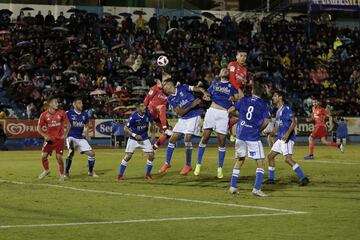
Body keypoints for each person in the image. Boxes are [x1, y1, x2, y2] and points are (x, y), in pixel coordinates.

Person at [159, 79, 210, 175]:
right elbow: (179, 112)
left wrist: (205, 92)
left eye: (164, 86)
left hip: (194, 116)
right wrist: (192, 105)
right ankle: (167, 163)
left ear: (170, 85)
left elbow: (197, 88)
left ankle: (188, 165)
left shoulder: (183, 87)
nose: (163, 88)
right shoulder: (170, 98)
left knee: (187, 138)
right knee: (172, 139)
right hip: (183, 118)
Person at [228, 81, 270, 197]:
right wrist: (259, 129)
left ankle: (233, 186)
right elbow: (266, 121)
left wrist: (241, 116)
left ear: (252, 90)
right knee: (260, 162)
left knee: (240, 160)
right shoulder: (264, 104)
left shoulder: (244, 100)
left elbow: (231, 110)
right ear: (262, 93)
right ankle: (256, 188)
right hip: (253, 136)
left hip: (240, 134)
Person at [194, 68, 239, 179]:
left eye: (226, 70)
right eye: (222, 70)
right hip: (212, 112)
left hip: (223, 114)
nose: (224, 71)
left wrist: (232, 101)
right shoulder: (214, 84)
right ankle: (198, 165)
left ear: (228, 74)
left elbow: (237, 100)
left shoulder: (232, 87)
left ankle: (220, 169)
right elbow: (207, 95)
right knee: (204, 138)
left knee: (222, 141)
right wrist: (205, 96)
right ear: (219, 74)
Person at [265, 91, 309, 186]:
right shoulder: (278, 111)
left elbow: (294, 122)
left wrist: (287, 134)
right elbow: (277, 124)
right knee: (270, 156)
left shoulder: (286, 109)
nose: (273, 97)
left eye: (275, 96)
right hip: (281, 139)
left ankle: (303, 178)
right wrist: (271, 133)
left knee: (287, 159)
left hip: (287, 138)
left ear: (280, 97)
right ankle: (271, 179)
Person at [117, 103, 155, 181]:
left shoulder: (148, 114)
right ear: (138, 109)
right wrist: (134, 135)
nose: (145, 107)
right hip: (133, 139)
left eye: (144, 106)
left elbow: (153, 124)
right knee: (128, 156)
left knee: (151, 155)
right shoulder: (133, 117)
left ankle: (147, 175)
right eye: (142, 106)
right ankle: (120, 175)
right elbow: (125, 128)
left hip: (144, 138)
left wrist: (153, 135)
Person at [37, 96, 70, 181]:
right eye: (55, 102)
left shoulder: (62, 113)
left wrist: (65, 134)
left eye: (57, 102)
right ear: (50, 104)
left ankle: (62, 175)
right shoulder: (44, 115)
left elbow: (69, 125)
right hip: (49, 139)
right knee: (43, 156)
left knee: (59, 157)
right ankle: (46, 170)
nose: (57, 104)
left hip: (59, 139)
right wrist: (44, 135)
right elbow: (38, 128)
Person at [65, 97, 97, 178]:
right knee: (71, 152)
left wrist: (87, 135)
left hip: (80, 138)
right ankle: (66, 172)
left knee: (92, 154)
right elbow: (61, 121)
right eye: (79, 103)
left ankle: (90, 171)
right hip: (71, 137)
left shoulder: (85, 115)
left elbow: (86, 126)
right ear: (74, 104)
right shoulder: (68, 113)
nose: (81, 105)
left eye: (82, 103)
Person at [143, 75, 171, 150]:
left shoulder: (168, 91)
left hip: (159, 116)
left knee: (167, 135)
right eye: (164, 81)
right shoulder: (154, 88)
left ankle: (154, 147)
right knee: (162, 107)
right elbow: (147, 99)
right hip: (153, 110)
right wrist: (144, 112)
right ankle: (165, 129)